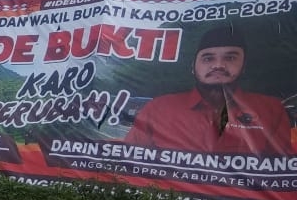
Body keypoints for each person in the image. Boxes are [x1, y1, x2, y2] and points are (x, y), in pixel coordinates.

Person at [124, 25, 291, 154]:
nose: (218, 65)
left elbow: (280, 175)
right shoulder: (159, 108)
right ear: (193, 67)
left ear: (244, 65)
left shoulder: (271, 109)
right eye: (208, 58)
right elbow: (128, 163)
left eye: (230, 57)